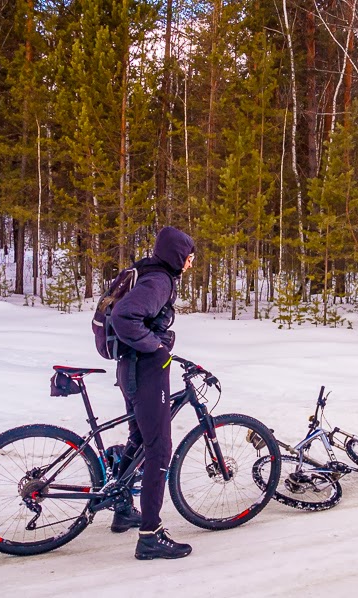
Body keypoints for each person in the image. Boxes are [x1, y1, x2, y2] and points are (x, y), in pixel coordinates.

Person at [110, 226, 196, 560]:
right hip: (145, 369)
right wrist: (157, 349)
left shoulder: (147, 270)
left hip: (129, 366)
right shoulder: (159, 281)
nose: (189, 265)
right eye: (188, 259)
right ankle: (150, 535)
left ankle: (122, 508)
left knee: (138, 439)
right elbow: (125, 316)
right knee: (158, 448)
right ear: (177, 256)